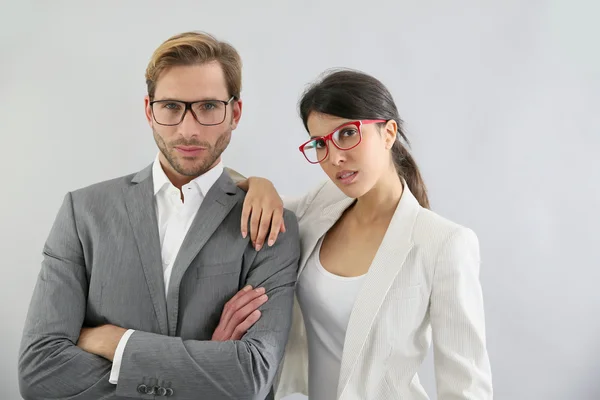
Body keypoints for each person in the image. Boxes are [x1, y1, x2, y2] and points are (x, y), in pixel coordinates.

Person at [17, 31, 301, 400]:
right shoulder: (83, 211)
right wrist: (204, 372)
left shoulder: (270, 224)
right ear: (149, 111)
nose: (188, 129)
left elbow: (251, 378)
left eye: (209, 107)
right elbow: (39, 373)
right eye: (171, 107)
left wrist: (118, 343)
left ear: (235, 113)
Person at [225, 69, 494, 399]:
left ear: (388, 133)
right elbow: (232, 192)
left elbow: (466, 386)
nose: (335, 157)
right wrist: (258, 183)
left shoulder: (443, 244)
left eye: (348, 133)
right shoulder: (317, 207)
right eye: (320, 143)